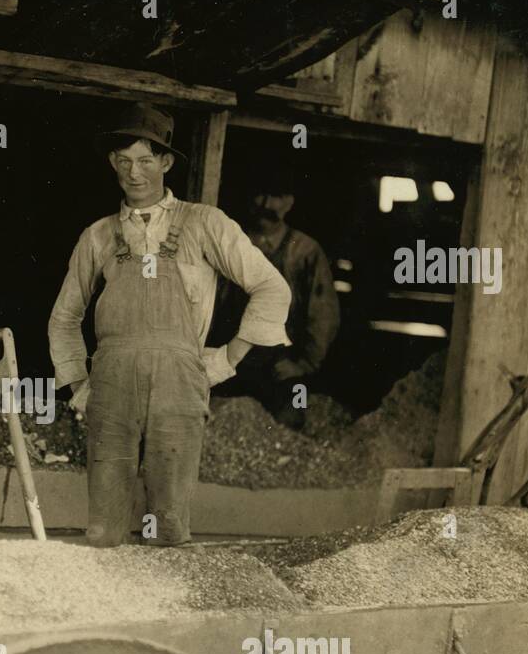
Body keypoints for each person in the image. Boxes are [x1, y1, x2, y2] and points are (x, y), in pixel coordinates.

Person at [48, 103, 291, 549]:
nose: (133, 173)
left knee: (169, 522)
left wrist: (226, 359)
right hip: (112, 382)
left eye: (145, 160)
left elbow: (272, 288)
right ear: (112, 164)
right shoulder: (98, 236)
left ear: (165, 162)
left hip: (179, 381)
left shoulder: (204, 223)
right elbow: (64, 317)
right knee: (103, 527)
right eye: (123, 161)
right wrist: (79, 383)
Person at [238, 166, 340, 429]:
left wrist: (303, 364)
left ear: (289, 203)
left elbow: (323, 315)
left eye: (276, 196)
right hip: (233, 363)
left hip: (282, 369)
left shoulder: (305, 252)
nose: (266, 204)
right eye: (260, 195)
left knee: (285, 431)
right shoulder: (232, 243)